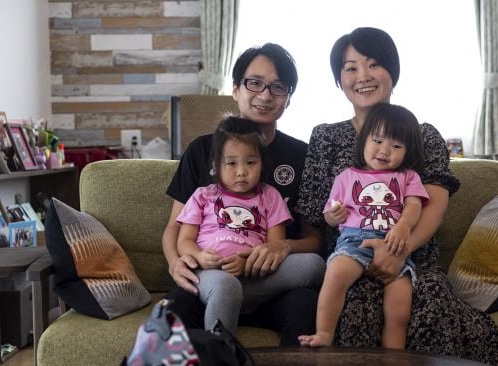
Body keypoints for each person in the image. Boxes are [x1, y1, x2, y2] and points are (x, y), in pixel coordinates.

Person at [295, 27, 498, 364]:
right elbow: (317, 212)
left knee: (429, 298)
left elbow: (433, 205)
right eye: (350, 68)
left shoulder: (424, 135)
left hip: (413, 260)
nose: (362, 76)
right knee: (354, 302)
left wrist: (398, 251)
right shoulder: (326, 136)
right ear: (339, 79)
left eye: (374, 64)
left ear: (392, 71)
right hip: (350, 257)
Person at [163, 43, 324, 345]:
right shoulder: (201, 150)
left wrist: (284, 247)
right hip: (210, 280)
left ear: (288, 99)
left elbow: (315, 240)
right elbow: (175, 228)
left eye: (278, 87)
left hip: (270, 283)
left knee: (306, 302)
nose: (265, 95)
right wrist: (176, 262)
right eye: (254, 83)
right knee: (174, 310)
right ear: (236, 89)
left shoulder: (303, 155)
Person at [176, 117, 324, 333]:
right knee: (226, 286)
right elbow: (185, 240)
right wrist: (199, 257)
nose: (241, 172)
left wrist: (246, 265)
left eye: (251, 162)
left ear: (262, 164)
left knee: (314, 264)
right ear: (216, 165)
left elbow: (273, 249)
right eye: (232, 163)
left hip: (254, 277)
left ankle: (236, 297)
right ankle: (221, 350)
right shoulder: (203, 196)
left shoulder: (270, 196)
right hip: (211, 274)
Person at [299, 103, 429, 349]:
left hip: (394, 247)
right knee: (336, 275)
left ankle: (394, 355)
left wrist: (403, 227)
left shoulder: (408, 176)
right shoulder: (346, 176)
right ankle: (324, 333)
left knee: (400, 308)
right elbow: (328, 213)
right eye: (377, 140)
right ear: (364, 139)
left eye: (397, 146)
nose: (384, 151)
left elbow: (414, 206)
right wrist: (333, 216)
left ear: (408, 151)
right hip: (353, 242)